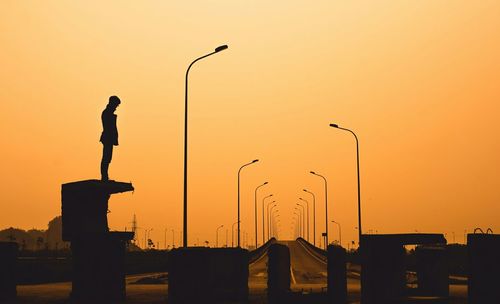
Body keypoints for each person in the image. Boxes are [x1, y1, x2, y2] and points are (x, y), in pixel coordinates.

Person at [100, 96, 121, 181]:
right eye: (116, 104)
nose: (116, 107)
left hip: (109, 138)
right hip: (107, 138)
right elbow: (109, 127)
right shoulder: (107, 113)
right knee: (106, 157)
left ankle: (105, 176)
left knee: (108, 158)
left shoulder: (108, 113)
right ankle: (104, 177)